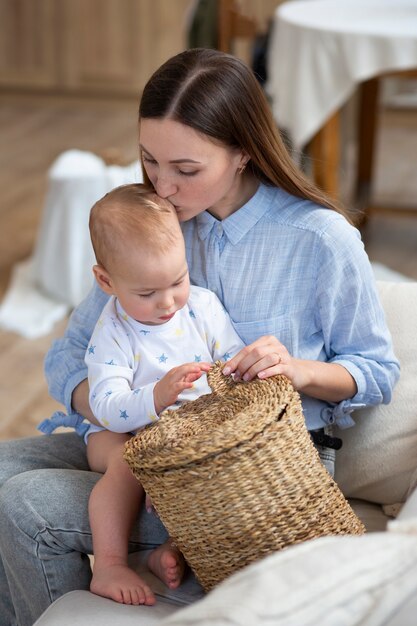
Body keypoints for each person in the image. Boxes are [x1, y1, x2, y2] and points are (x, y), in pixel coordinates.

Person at [0, 47, 399, 626]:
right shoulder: (151, 227)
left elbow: (377, 371)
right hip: (136, 440)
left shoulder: (317, 239)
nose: (162, 187)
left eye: (186, 170)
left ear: (242, 153)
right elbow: (68, 357)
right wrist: (120, 409)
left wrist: (300, 370)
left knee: (24, 507)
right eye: (149, 162)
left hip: (245, 473)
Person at [77, 182, 246, 605]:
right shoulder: (113, 332)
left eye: (177, 280)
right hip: (122, 432)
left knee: (210, 466)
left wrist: (245, 370)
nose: (168, 302)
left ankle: (175, 550)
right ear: (106, 281)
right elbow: (106, 408)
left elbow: (231, 357)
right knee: (127, 465)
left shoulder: (201, 307)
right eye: (147, 293)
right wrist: (156, 396)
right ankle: (111, 562)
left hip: (186, 431)